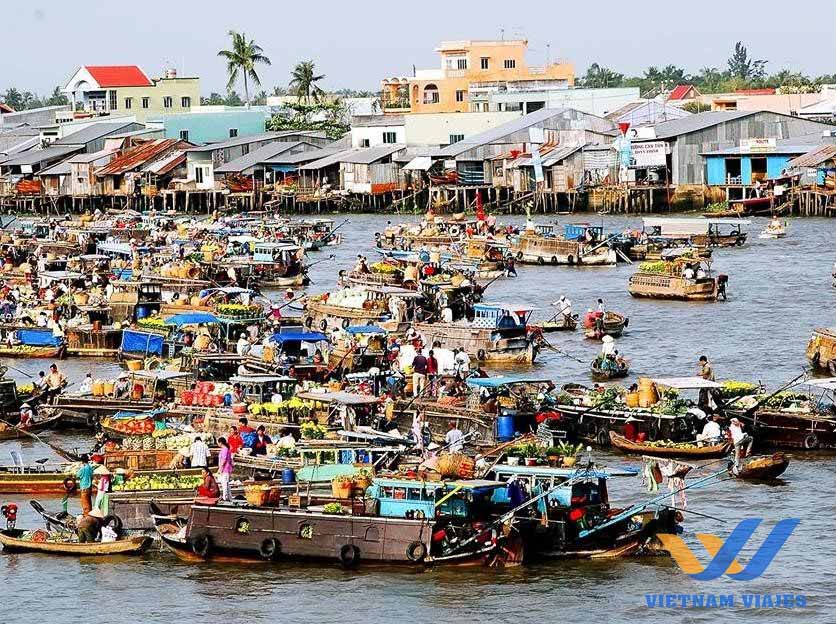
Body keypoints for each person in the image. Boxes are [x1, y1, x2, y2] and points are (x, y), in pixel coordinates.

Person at [216, 437, 233, 502]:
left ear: (220, 443)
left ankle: (225, 497)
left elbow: (224, 460)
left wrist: (220, 468)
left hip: (225, 469)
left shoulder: (225, 449)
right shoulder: (225, 449)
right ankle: (229, 497)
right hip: (225, 469)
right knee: (226, 484)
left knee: (224, 483)